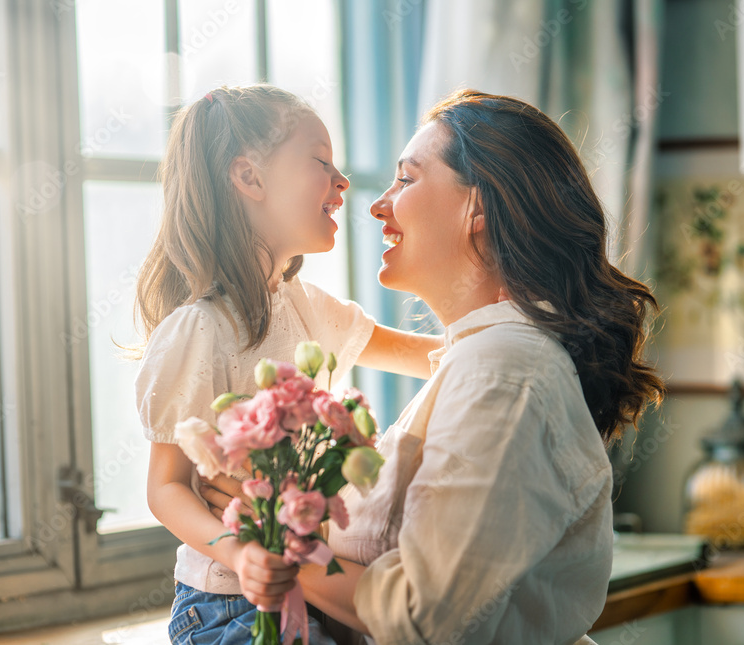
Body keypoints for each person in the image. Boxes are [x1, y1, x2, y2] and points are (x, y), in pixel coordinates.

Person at [213, 89, 666, 644]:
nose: (378, 205)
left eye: (405, 180)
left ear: (477, 207)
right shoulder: (479, 363)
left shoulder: (503, 375)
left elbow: (421, 615)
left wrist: (273, 549)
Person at [132, 85, 442, 645]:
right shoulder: (198, 329)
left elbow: (432, 358)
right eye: (322, 163)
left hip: (315, 587)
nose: (342, 181)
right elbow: (166, 488)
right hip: (226, 606)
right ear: (249, 178)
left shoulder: (306, 307)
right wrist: (242, 553)